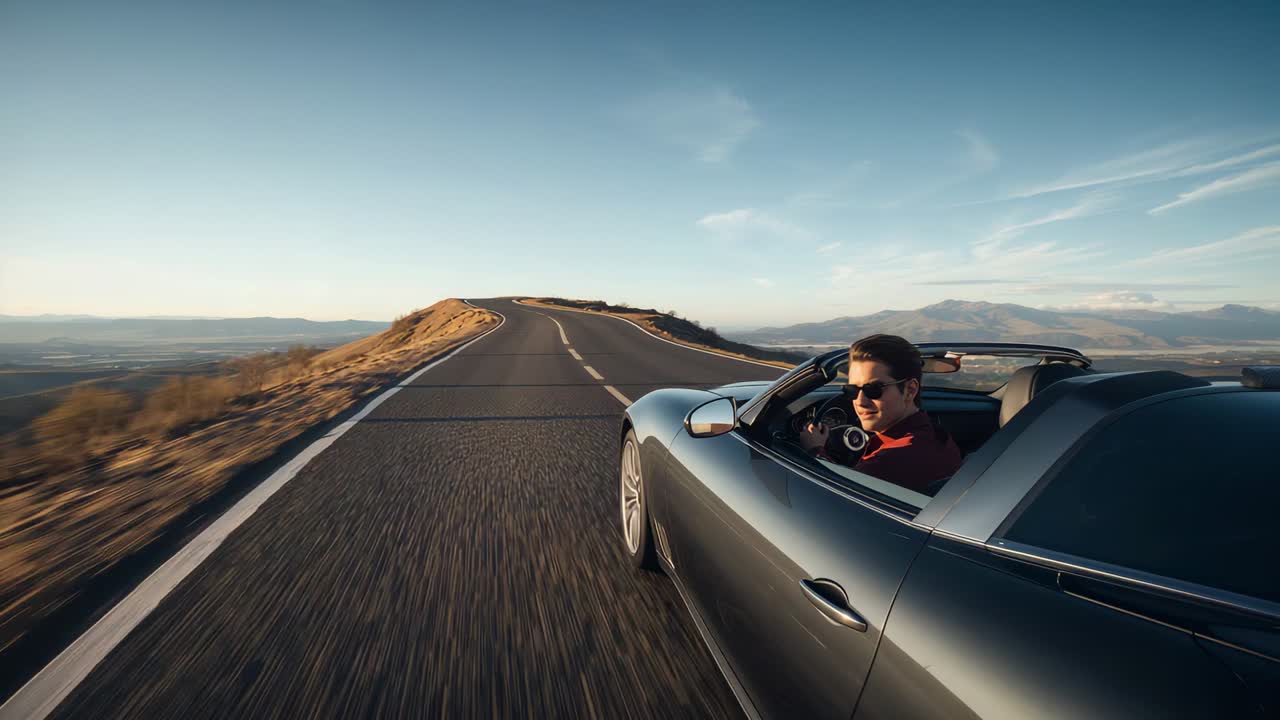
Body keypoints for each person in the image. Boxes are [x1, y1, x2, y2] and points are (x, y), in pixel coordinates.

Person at [798, 334, 962, 493]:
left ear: (910, 390)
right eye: (852, 390)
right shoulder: (937, 437)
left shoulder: (886, 462)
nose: (860, 401)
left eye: (874, 390)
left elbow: (834, 494)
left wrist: (816, 450)